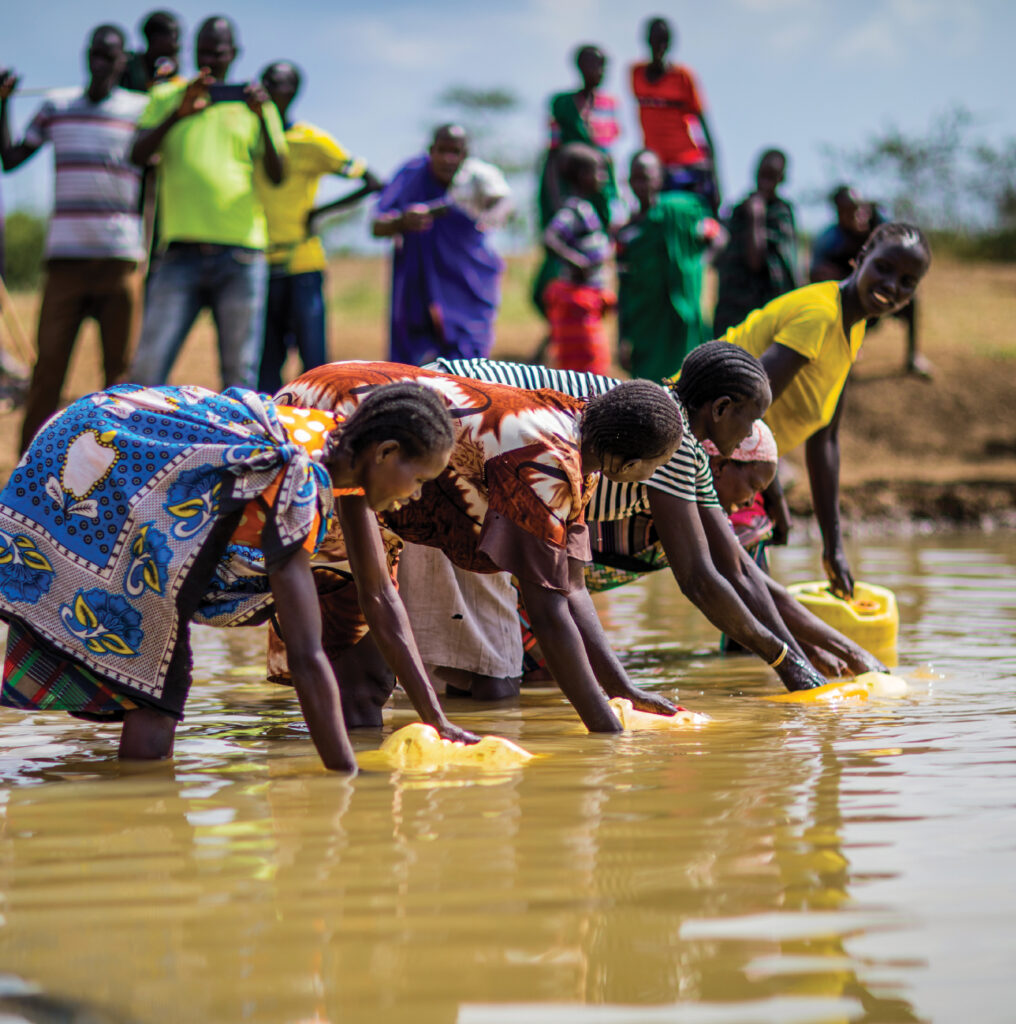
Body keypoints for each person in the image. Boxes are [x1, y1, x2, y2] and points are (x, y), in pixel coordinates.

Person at [0, 379, 478, 772]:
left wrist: (438, 721)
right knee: (158, 684)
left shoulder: (342, 452)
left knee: (156, 678)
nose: (415, 497)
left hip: (110, 440)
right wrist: (345, 778)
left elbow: (381, 599)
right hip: (99, 462)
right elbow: (307, 656)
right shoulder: (299, 479)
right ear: (385, 451)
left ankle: (132, 815)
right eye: (418, 481)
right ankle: (138, 821)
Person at [430, 349, 887, 690]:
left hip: (466, 433)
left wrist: (837, 651)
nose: (751, 434)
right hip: (455, 422)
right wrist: (788, 662)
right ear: (721, 408)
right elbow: (701, 580)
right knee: (494, 680)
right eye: (750, 421)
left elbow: (741, 570)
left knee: (497, 675)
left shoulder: (681, 440)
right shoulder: (670, 438)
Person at [273, 361, 686, 734]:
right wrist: (607, 733)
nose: (655, 475)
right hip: (333, 414)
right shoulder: (549, 458)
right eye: (657, 465)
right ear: (630, 466)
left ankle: (355, 786)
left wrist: (624, 691)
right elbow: (547, 613)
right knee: (363, 673)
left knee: (371, 671)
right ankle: (343, 784)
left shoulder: (580, 441)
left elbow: (571, 587)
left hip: (358, 412)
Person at [721, 222, 933, 597]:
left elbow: (826, 440)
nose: (891, 286)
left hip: (738, 459)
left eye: (906, 281)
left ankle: (742, 655)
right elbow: (746, 406)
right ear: (860, 259)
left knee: (750, 593)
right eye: (883, 268)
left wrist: (832, 547)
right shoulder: (820, 314)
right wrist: (773, 496)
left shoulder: (851, 328)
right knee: (749, 591)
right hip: (705, 442)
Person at [0, 26, 148, 454]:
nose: (101, 63)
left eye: (110, 56)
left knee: (119, 376)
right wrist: (4, 104)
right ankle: (30, 462)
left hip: (120, 261)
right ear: (87, 57)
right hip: (64, 263)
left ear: (123, 63)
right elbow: (11, 159)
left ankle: (116, 464)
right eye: (95, 55)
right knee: (48, 370)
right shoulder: (56, 106)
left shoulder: (141, 111)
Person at [128, 16, 288, 390]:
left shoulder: (256, 104)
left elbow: (278, 174)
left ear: (234, 54)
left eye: (218, 53)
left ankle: (239, 451)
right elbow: (136, 155)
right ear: (192, 52)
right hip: (177, 254)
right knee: (147, 371)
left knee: (239, 376)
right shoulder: (168, 94)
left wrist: (263, 114)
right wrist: (177, 112)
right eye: (203, 52)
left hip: (242, 256)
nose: (211, 60)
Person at [255, 61, 382, 394]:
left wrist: (319, 212)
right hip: (258, 265)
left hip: (303, 264)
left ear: (293, 91)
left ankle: (321, 435)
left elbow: (371, 181)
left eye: (278, 84)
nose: (269, 89)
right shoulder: (248, 139)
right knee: (265, 364)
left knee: (315, 365)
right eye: (265, 81)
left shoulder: (311, 140)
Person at [371, 125, 511, 365]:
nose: (448, 159)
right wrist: (402, 220)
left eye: (455, 152)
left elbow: (504, 205)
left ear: (465, 155)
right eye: (442, 151)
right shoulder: (410, 175)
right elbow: (377, 225)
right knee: (413, 371)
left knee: (469, 370)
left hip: (466, 287)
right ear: (430, 151)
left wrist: (491, 214)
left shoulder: (478, 178)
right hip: (417, 291)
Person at [617, 149, 721, 382]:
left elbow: (718, 237)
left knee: (688, 385)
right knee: (648, 390)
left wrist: (697, 268)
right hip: (644, 324)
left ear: (660, 178)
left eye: (648, 176)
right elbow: (623, 286)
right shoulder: (627, 233)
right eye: (636, 178)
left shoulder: (681, 212)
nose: (642, 184)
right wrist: (622, 337)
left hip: (681, 320)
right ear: (629, 182)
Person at [532, 44, 620, 317]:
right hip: (570, 189)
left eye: (604, 65)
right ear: (580, 67)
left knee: (595, 254)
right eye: (594, 65)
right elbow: (554, 157)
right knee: (561, 258)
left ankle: (586, 314)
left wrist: (614, 199)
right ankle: (559, 317)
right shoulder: (561, 104)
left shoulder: (609, 106)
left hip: (599, 191)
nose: (600, 71)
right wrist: (558, 201)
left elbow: (608, 157)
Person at [810, 186, 931, 378]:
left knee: (912, 301)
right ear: (838, 213)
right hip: (851, 292)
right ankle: (844, 349)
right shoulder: (830, 239)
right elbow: (814, 274)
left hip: (884, 288)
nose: (856, 214)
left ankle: (913, 356)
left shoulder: (883, 226)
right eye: (847, 211)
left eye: (858, 207)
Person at [630, 16, 720, 213]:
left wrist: (715, 174)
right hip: (654, 165)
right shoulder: (635, 74)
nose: (659, 46)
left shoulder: (683, 77)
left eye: (664, 41)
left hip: (686, 162)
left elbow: (704, 125)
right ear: (646, 41)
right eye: (655, 40)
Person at [542, 144, 614, 374]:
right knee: (588, 364)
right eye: (599, 172)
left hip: (587, 302)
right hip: (578, 302)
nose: (603, 178)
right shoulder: (575, 209)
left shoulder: (587, 208)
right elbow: (550, 238)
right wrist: (577, 262)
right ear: (583, 176)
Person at [713, 149, 799, 336]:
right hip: (732, 312)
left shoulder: (781, 213)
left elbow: (756, 261)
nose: (765, 181)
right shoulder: (738, 210)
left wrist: (756, 218)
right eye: (762, 174)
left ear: (782, 178)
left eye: (772, 175)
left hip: (766, 311)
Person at [120, 10, 181, 93]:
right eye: (174, 40)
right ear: (155, 38)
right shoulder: (126, 66)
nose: (177, 46)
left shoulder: (166, 70)